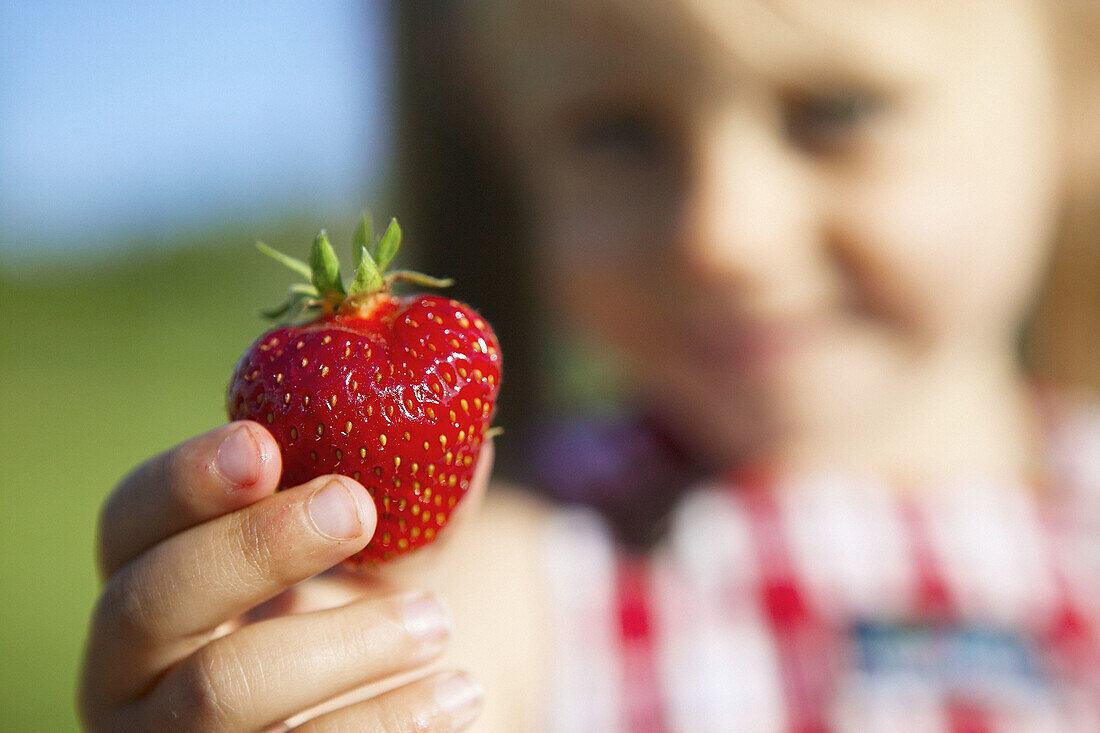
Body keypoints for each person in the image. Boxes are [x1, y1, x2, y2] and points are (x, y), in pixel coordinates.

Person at [79, 0, 1100, 730]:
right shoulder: (523, 578)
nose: (722, 236)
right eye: (617, 132)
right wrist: (311, 674)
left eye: (833, 109)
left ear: (1077, 90)